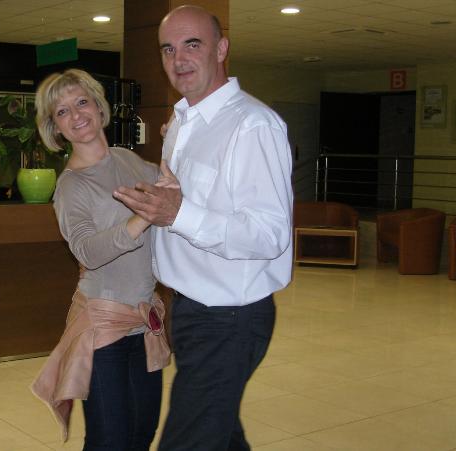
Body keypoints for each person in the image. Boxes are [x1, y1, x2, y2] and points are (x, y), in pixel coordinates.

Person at [114, 5, 294, 451]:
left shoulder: (252, 126)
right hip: (190, 309)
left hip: (229, 319)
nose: (179, 59)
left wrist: (179, 213)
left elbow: (269, 234)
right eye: (168, 49)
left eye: (192, 44)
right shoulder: (182, 121)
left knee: (189, 440)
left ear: (221, 49)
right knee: (220, 435)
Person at [30, 69, 171, 451]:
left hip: (143, 322)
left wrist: (178, 141)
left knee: (141, 436)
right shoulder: (71, 185)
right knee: (110, 441)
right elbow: (87, 251)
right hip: (102, 327)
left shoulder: (129, 161)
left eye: (81, 102)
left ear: (98, 106)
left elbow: (171, 190)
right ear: (55, 128)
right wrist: (143, 217)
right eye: (62, 112)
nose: (76, 115)